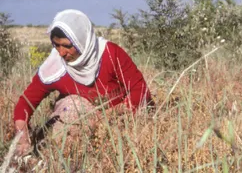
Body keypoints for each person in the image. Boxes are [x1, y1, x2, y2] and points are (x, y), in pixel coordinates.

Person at [14, 9, 153, 155]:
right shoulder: (55, 67)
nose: (61, 52)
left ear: (81, 41)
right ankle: (53, 154)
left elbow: (140, 89)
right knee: (74, 107)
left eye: (67, 45)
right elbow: (25, 102)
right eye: (56, 45)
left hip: (117, 120)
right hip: (75, 122)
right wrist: (22, 136)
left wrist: (110, 116)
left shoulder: (109, 53)